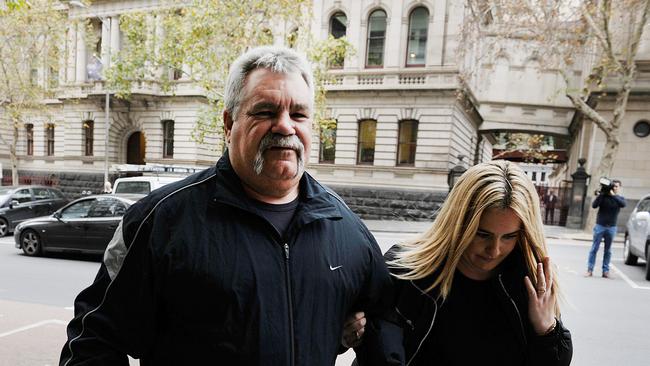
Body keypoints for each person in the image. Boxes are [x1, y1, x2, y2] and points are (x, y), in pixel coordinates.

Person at [59, 46, 391, 366]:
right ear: (229, 123)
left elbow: (387, 330)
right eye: (266, 111)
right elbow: (93, 341)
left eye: (299, 114)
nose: (286, 126)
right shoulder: (158, 220)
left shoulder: (347, 230)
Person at [350, 160, 572, 366]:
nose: (494, 250)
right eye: (482, 234)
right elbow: (376, 353)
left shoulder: (530, 283)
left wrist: (547, 330)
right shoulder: (405, 272)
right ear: (458, 224)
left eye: (509, 237)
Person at [586, 179, 625, 278]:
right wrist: (602, 194)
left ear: (619, 188)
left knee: (608, 250)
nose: (614, 188)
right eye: (613, 186)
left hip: (611, 227)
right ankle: (590, 270)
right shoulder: (603, 196)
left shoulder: (619, 198)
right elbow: (594, 205)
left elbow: (623, 204)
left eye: (616, 186)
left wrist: (613, 195)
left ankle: (605, 271)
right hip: (600, 226)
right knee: (594, 248)